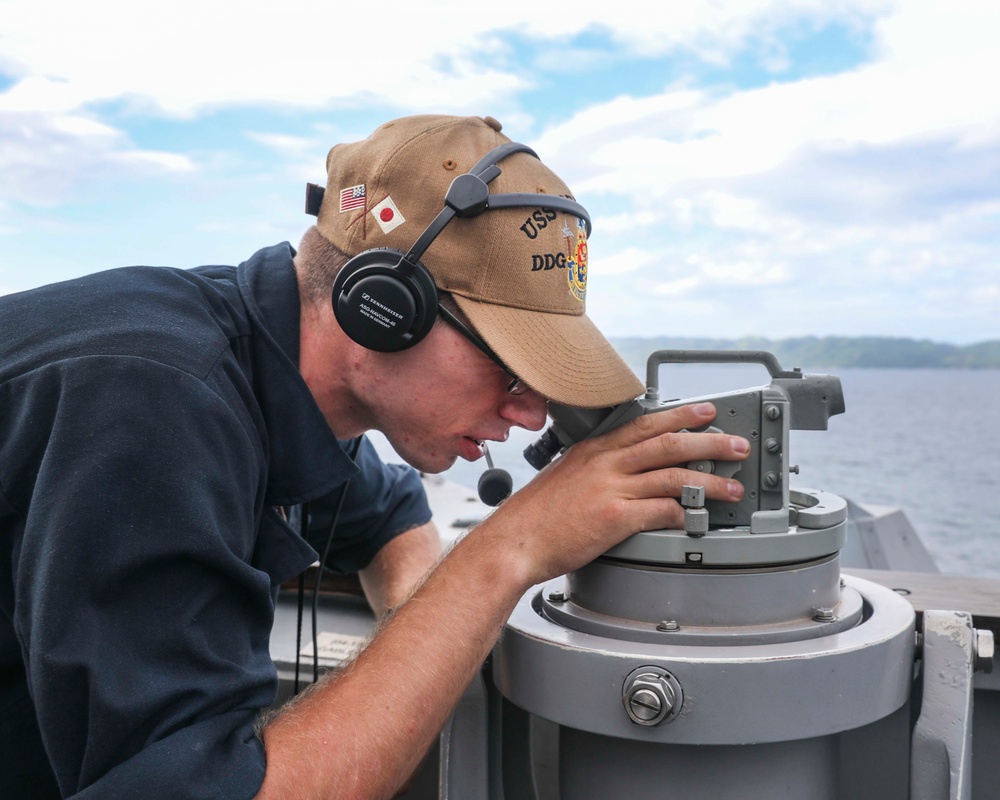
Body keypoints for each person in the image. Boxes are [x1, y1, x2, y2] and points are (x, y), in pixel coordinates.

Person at [0, 114, 748, 798]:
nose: (527, 414)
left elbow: (387, 513)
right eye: (508, 365)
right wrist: (513, 547)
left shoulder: (279, 379)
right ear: (383, 306)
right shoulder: (155, 401)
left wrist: (426, 636)